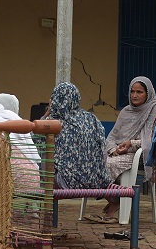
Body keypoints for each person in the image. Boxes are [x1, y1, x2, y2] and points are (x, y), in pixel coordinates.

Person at [45, 82, 112, 220]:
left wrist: (46, 114)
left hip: (66, 183)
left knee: (38, 169)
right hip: (96, 181)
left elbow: (35, 143)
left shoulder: (52, 122)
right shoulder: (91, 118)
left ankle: (42, 218)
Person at [103, 77, 156, 216]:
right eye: (132, 91)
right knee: (96, 164)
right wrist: (114, 149)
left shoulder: (155, 109)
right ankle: (116, 201)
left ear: (148, 93)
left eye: (139, 92)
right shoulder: (126, 111)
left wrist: (131, 144)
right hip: (120, 153)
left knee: (110, 164)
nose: (135, 95)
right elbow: (112, 136)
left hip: (143, 155)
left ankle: (117, 203)